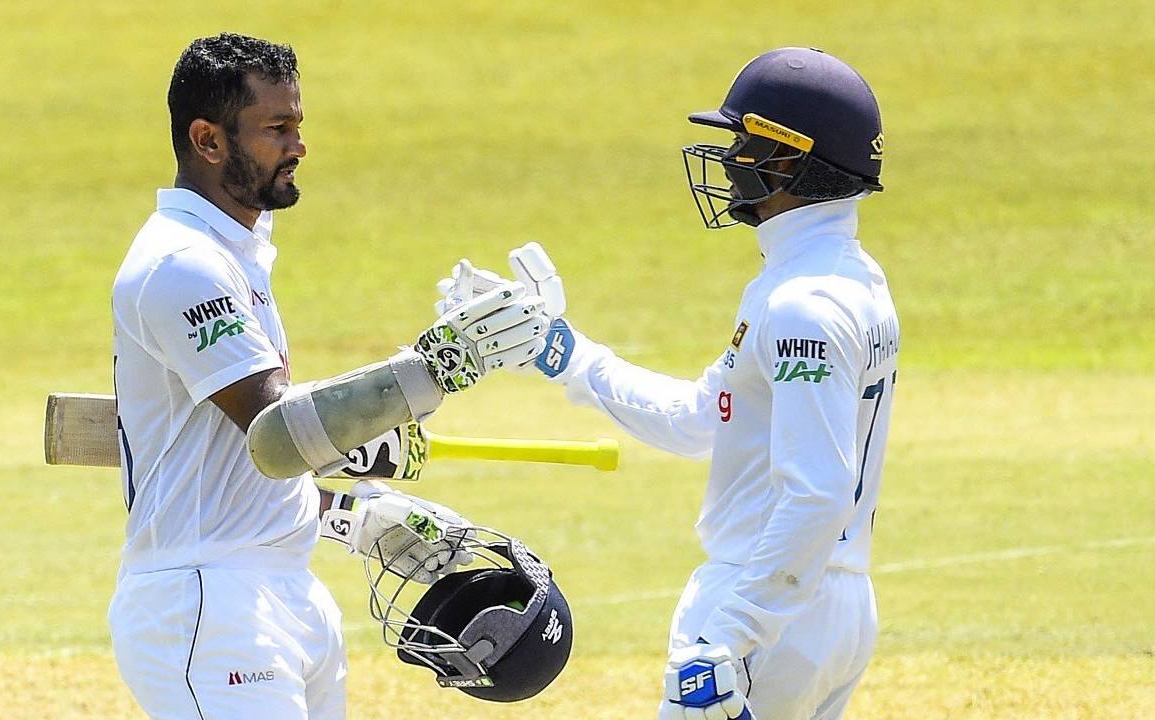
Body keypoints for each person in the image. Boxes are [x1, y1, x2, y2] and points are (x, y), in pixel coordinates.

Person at [440, 47, 899, 720]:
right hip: (823, 605)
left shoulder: (803, 304)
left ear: (788, 160)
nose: (727, 156)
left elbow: (818, 492)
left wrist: (733, 632)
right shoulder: (847, 278)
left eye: (742, 140)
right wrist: (562, 353)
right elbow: (700, 420)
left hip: (766, 605)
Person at [107, 33, 552, 720]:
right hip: (208, 602)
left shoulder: (237, 255)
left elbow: (241, 465)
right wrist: (436, 368)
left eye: (298, 125)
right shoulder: (181, 265)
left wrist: (354, 514)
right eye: (275, 128)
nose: (297, 145)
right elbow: (277, 438)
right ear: (209, 140)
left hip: (279, 588)